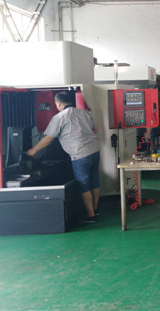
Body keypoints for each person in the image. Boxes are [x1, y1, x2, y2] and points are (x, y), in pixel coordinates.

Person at [26, 92, 101, 223]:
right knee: (95, 180)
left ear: (58, 103)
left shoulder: (59, 117)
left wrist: (33, 150)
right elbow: (95, 130)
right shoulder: (84, 113)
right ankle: (96, 209)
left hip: (80, 154)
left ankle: (91, 215)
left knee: (84, 184)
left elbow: (48, 139)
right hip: (94, 151)